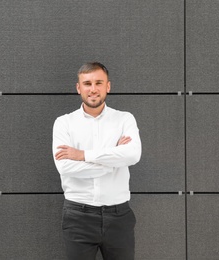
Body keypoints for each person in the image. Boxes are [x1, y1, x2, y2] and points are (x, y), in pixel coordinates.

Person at [52, 62, 142, 260]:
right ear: (78, 88)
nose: (93, 89)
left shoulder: (125, 119)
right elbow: (65, 167)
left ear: (107, 86)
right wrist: (114, 159)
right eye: (87, 83)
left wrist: (83, 155)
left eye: (98, 83)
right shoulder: (64, 123)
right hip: (78, 216)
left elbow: (133, 155)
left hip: (119, 216)